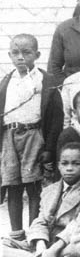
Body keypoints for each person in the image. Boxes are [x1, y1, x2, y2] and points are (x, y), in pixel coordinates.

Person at [2, 143, 80, 257]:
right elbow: (41, 220)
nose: (69, 168)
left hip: (69, 241)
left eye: (76, 164)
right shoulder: (49, 190)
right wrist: (40, 246)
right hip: (47, 240)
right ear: (58, 165)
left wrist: (54, 250)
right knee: (3, 246)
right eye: (65, 163)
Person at [2, 33, 65, 241]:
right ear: (9, 55)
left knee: (34, 185)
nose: (21, 57)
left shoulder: (46, 81)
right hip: (10, 137)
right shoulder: (6, 81)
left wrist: (49, 148)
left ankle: (35, 232)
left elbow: (56, 117)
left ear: (37, 54)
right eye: (15, 53)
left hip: (34, 136)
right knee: (13, 185)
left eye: (26, 53)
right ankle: (17, 234)